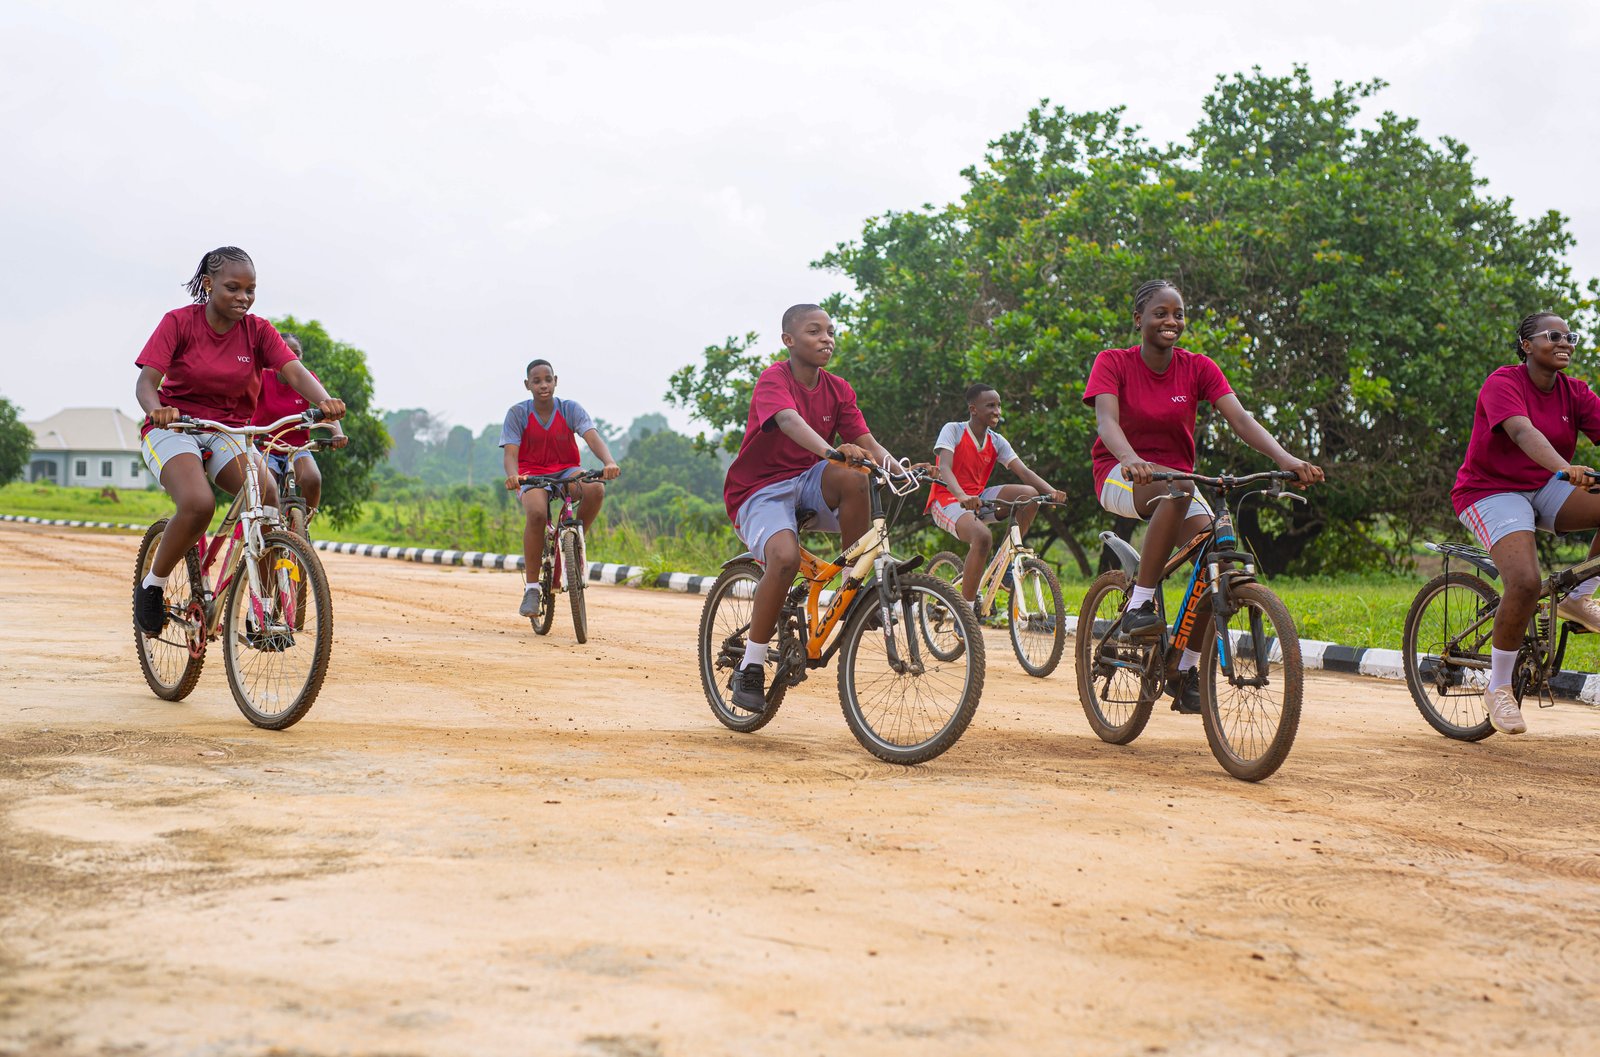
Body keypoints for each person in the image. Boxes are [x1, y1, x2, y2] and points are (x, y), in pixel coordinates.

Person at [1085, 279, 1321, 712]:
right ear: (1139, 320)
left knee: (1220, 564)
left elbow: (1243, 420)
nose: (1171, 321)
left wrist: (1287, 460)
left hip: (1177, 482)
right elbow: (1107, 423)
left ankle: (1186, 668)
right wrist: (1131, 458)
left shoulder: (1198, 367)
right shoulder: (1113, 362)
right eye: (1160, 313)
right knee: (1179, 488)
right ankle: (1140, 604)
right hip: (1121, 474)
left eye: (1178, 314)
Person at [134, 247, 345, 635]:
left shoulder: (258, 330)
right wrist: (157, 410)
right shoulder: (179, 323)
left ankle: (260, 613)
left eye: (250, 290)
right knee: (198, 504)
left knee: (266, 498)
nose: (243, 298)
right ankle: (154, 584)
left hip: (227, 430)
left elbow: (294, 371)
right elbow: (147, 383)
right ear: (209, 284)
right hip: (174, 428)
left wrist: (324, 400)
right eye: (233, 288)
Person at [721, 303, 902, 713]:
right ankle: (749, 667)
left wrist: (900, 468)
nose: (826, 339)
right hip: (760, 489)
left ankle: (854, 592)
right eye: (814, 332)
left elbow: (868, 443)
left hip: (807, 482)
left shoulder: (839, 388)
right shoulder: (774, 378)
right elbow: (787, 421)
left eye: (830, 332)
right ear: (789, 340)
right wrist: (830, 451)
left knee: (859, 476)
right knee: (782, 560)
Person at [1452, 313, 1600, 735]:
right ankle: (1499, 688)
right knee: (1525, 582)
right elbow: (1522, 432)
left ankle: (1578, 598)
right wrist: (1564, 467)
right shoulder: (1503, 383)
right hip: (1490, 490)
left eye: (1569, 336)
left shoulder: (1575, 393)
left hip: (1544, 485)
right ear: (1526, 344)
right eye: (1553, 336)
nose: (1564, 342)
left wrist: (1559, 473)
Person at [927, 383, 1066, 608]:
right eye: (990, 405)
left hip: (978, 498)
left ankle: (1003, 568)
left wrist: (1051, 493)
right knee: (982, 538)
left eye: (999, 406)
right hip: (948, 499)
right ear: (973, 409)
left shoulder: (997, 440)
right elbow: (944, 467)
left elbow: (1023, 471)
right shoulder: (953, 429)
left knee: (1029, 496)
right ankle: (966, 611)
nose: (997, 411)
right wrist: (962, 496)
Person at [500, 359, 620, 618]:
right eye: (537, 381)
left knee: (595, 489)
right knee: (536, 514)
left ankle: (573, 546)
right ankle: (532, 588)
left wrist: (608, 462)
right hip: (532, 475)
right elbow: (511, 453)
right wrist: (514, 476)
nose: (543, 385)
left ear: (556, 381)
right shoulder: (517, 414)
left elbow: (591, 436)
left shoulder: (569, 409)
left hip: (567, 470)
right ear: (527, 385)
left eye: (548, 379)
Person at [251, 334, 348, 520]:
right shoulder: (263, 377)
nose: (292, 357)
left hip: (298, 448)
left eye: (297, 354)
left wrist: (338, 433)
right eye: (287, 352)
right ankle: (267, 529)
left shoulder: (308, 379)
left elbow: (326, 406)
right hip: (266, 447)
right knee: (265, 488)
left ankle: (302, 529)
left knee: (313, 479)